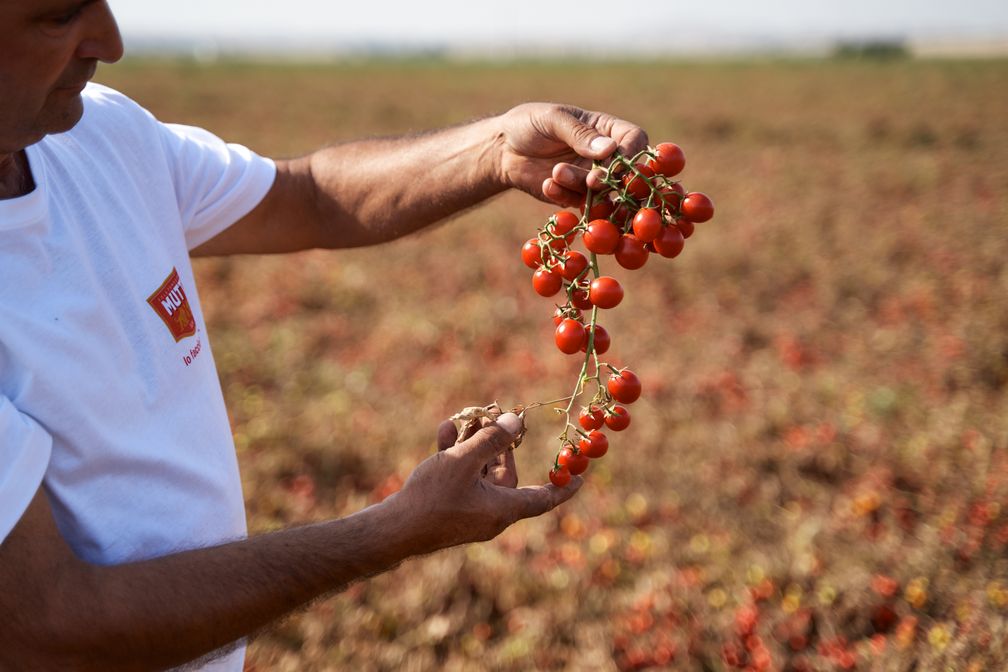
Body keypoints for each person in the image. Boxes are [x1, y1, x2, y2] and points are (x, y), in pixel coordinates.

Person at [0, 2, 649, 669]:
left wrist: (496, 150)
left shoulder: (100, 134)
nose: (109, 41)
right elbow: (46, 626)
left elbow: (304, 195)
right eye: (58, 16)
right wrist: (395, 530)